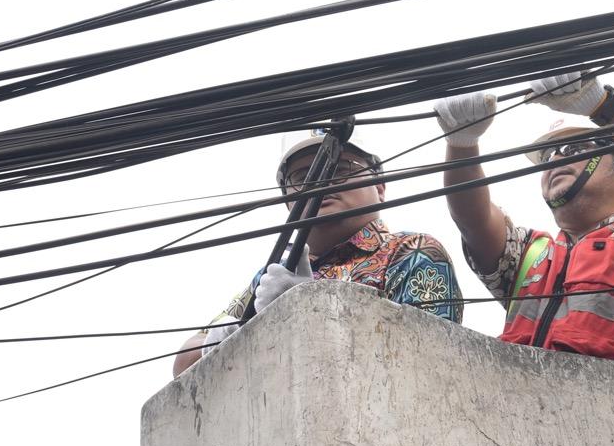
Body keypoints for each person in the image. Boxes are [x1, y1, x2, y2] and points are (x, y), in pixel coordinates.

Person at [434, 72, 614, 367]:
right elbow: (472, 220)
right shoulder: (529, 253)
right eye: (548, 156)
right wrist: (462, 144)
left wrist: (602, 104)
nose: (555, 160)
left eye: (573, 150)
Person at [173, 130, 463, 377]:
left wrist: (314, 306)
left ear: (380, 186)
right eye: (304, 176)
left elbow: (428, 364)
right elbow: (184, 364)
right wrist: (232, 333)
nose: (321, 182)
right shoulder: (274, 275)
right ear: (289, 201)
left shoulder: (411, 252)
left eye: (341, 169)